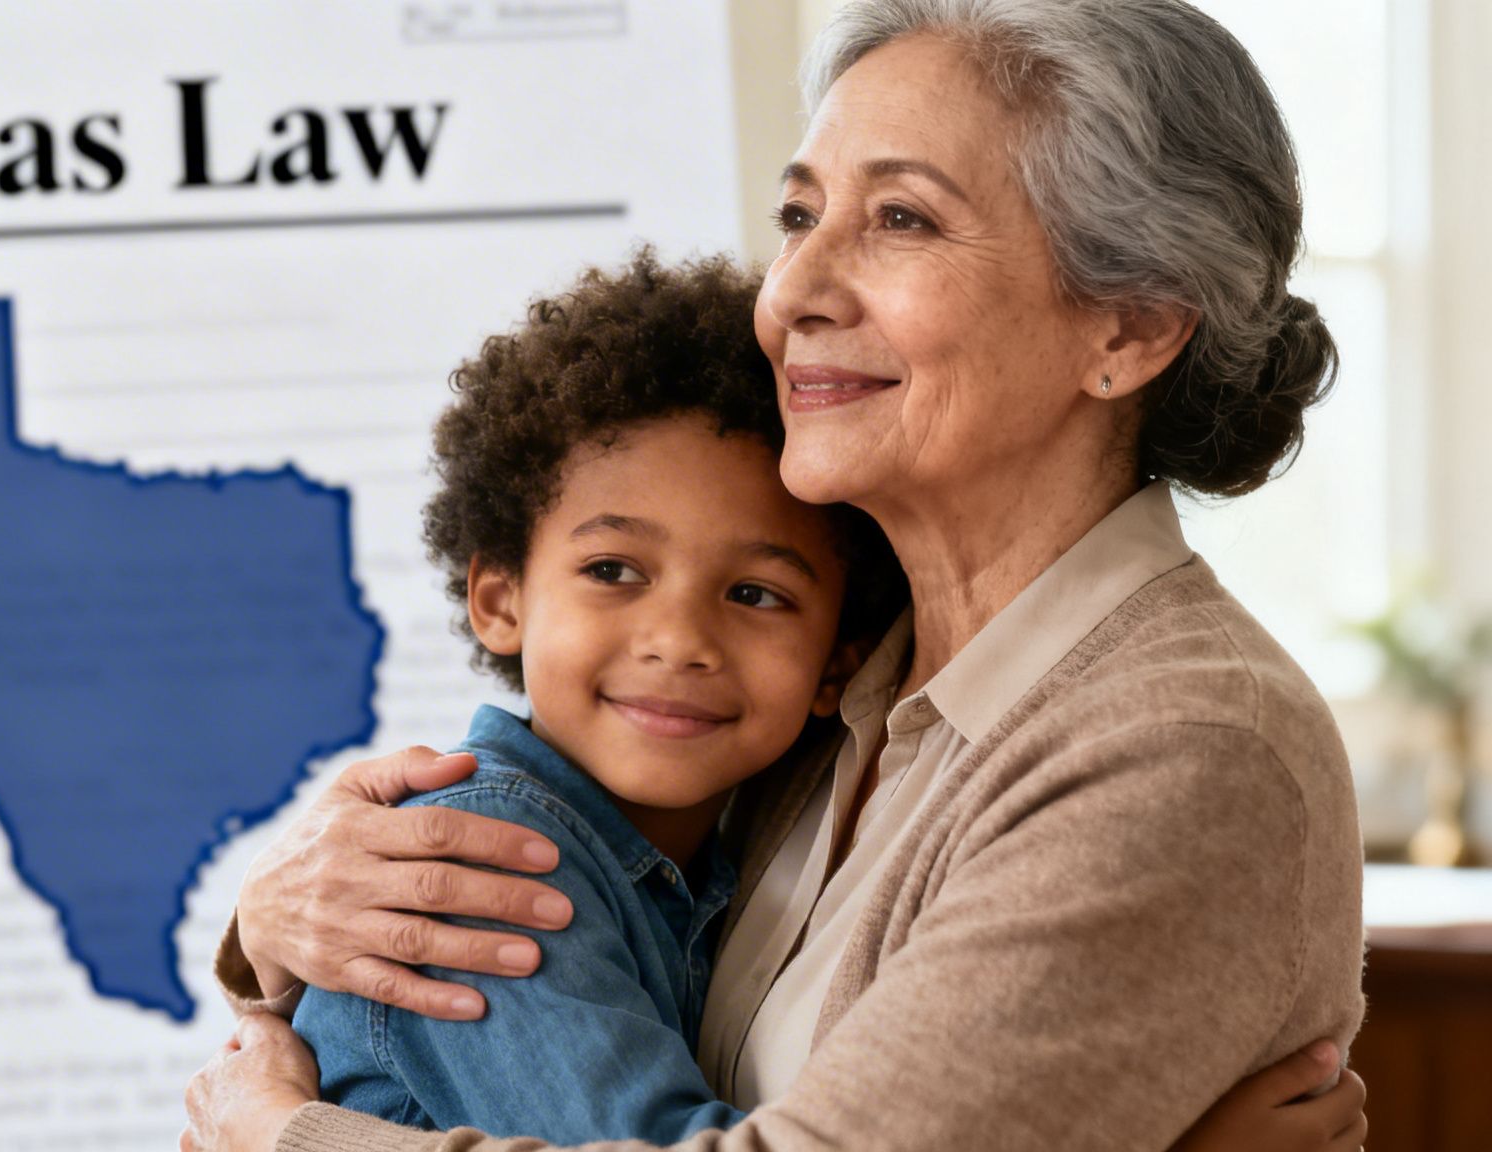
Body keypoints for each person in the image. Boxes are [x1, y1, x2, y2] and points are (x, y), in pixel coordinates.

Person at [187, 1, 1371, 1150]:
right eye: (799, 214)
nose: (792, 290)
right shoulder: (835, 690)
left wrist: (285, 1141)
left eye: (901, 219)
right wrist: (274, 914)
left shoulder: (1182, 744)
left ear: (1126, 330)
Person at [291, 252, 903, 1142]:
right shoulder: (483, 867)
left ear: (836, 667)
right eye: (612, 570)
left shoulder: (722, 864)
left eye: (755, 593)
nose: (681, 641)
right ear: (500, 598)